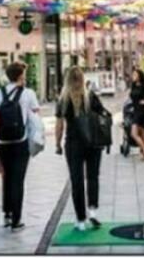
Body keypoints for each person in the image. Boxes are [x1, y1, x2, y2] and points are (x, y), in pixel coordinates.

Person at [55, 66, 108, 231]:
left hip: (73, 144)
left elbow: (59, 125)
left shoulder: (63, 100)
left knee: (76, 181)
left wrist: (57, 144)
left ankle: (80, 220)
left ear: (67, 80)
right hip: (93, 143)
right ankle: (93, 211)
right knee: (93, 177)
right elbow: (104, 116)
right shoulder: (91, 96)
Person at [0, 61, 40, 231]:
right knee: (18, 180)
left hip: (3, 142)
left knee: (7, 178)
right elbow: (35, 116)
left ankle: (7, 214)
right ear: (20, 76)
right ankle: (16, 220)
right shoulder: (28, 94)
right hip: (21, 141)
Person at [128, 68, 144, 160]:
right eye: (133, 74)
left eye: (135, 75)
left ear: (139, 76)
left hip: (142, 111)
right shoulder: (134, 85)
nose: (133, 76)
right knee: (142, 134)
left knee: (134, 133)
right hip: (136, 111)